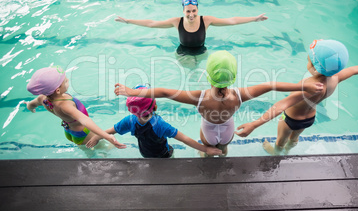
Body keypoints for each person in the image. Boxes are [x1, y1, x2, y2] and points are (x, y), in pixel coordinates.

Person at [113, 50, 324, 157]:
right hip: (228, 131)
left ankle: (206, 156)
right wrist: (303, 88)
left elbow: (165, 92)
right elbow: (271, 85)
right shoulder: (239, 95)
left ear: (208, 75)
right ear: (233, 77)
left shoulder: (200, 97)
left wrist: (132, 91)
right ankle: (223, 156)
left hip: (208, 132)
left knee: (206, 149)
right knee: (224, 148)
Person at [235, 39, 358, 155]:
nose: (307, 62)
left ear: (315, 67)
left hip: (290, 120)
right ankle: (289, 150)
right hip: (309, 119)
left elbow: (281, 106)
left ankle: (276, 152)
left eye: (308, 60)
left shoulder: (310, 87)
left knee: (280, 140)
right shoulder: (335, 77)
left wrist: (254, 124)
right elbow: (353, 70)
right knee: (294, 138)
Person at [86, 85, 222, 158]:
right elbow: (184, 139)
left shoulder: (130, 121)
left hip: (145, 154)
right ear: (155, 107)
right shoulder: (159, 125)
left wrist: (98, 136)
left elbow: (111, 130)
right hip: (164, 155)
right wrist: (205, 149)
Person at [115, 0, 268, 56]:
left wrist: (254, 18)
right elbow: (152, 24)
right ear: (183, 10)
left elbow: (232, 20)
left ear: (198, 9)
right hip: (182, 53)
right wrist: (128, 21)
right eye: (188, 11)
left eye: (194, 11)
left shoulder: (206, 20)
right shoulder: (177, 22)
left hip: (202, 51)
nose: (191, 15)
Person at [23, 66, 126, 149]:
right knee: (102, 148)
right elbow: (85, 120)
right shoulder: (65, 105)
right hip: (83, 133)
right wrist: (107, 136)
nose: (68, 80)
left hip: (69, 131)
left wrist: (29, 107)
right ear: (58, 90)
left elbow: (32, 104)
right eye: (65, 81)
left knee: (85, 146)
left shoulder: (42, 99)